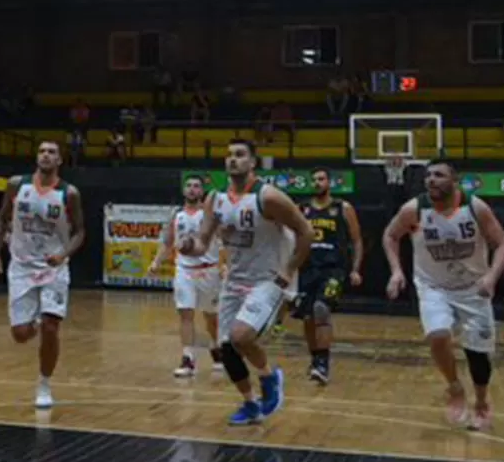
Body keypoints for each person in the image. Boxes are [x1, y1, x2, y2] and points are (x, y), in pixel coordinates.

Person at [178, 139, 312, 426]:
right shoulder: (215, 198)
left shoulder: (269, 197)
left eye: (239, 155)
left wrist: (288, 271)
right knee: (227, 348)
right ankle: (251, 403)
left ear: (252, 162)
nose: (232, 160)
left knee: (241, 337)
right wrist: (190, 245)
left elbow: (306, 231)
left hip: (268, 279)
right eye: (228, 155)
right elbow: (204, 241)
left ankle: (269, 376)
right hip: (234, 280)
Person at [383, 161, 504, 431]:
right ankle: (454, 387)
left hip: (473, 288)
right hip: (433, 286)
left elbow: (502, 245)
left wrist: (491, 277)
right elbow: (390, 236)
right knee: (438, 335)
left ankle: (481, 402)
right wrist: (396, 271)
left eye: (439, 175)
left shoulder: (475, 207)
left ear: (454, 180)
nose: (431, 180)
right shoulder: (414, 209)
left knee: (477, 354)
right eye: (428, 175)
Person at [0, 141, 85, 409]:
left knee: (52, 327)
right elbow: (1, 220)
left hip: (53, 267)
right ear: (36, 157)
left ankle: (44, 383)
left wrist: (64, 254)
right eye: (42, 151)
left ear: (60, 160)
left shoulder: (69, 193)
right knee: (20, 334)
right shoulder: (17, 185)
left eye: (52, 152)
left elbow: (79, 232)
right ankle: (36, 323)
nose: (46, 155)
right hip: (21, 267)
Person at [291, 167, 364, 384]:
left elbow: (357, 240)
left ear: (329, 183)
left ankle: (323, 362)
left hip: (333, 269)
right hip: (307, 269)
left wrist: (355, 269)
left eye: (321, 179)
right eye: (313, 179)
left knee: (321, 309)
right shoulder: (301, 209)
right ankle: (315, 360)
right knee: (307, 317)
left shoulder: (342, 208)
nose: (317, 183)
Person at [149, 174, 223, 377]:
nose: (192, 189)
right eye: (188, 185)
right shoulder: (177, 216)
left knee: (211, 317)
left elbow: (223, 241)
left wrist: (226, 264)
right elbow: (167, 243)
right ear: (184, 190)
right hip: (184, 270)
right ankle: (188, 358)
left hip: (209, 269)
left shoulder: (210, 215)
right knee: (185, 314)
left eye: (196, 186)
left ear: (202, 191)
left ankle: (217, 347)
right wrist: (156, 262)